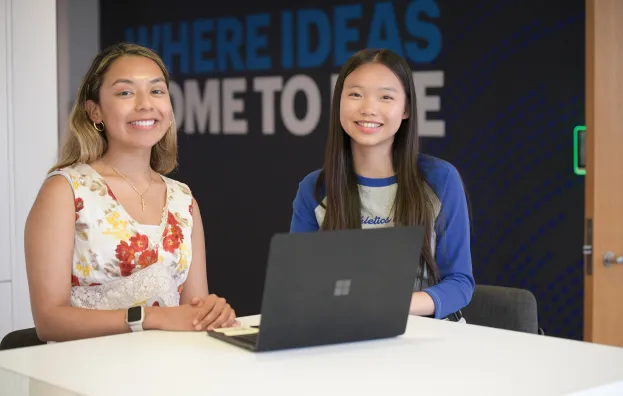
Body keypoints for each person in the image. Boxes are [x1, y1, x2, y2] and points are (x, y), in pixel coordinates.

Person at [24, 43, 237, 342]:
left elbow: (194, 311)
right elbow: (49, 321)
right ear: (94, 111)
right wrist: (150, 317)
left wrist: (212, 311)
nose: (145, 104)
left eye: (157, 91)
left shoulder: (184, 200)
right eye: (125, 92)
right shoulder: (65, 191)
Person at [289, 48, 474, 321]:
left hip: (427, 342)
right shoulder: (314, 189)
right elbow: (297, 284)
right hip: (347, 337)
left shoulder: (440, 179)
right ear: (338, 102)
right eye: (355, 94)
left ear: (406, 109)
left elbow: (459, 283)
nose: (368, 108)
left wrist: (390, 305)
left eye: (386, 96)